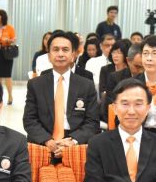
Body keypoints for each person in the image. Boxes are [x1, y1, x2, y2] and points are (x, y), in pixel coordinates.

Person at [23, 30, 99, 159]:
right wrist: (48, 141)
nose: (60, 54)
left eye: (65, 50)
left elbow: (92, 122)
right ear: (49, 55)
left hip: (75, 142)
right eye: (55, 49)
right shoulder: (35, 84)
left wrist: (72, 141)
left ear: (73, 55)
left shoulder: (86, 85)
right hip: (43, 141)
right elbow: (29, 120)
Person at [102, 44, 144, 123]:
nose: (141, 71)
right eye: (137, 67)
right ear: (128, 61)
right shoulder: (115, 78)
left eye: (144, 67)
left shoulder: (150, 78)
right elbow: (110, 108)